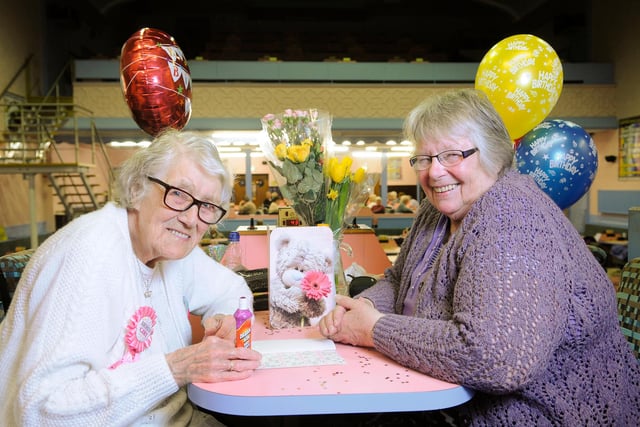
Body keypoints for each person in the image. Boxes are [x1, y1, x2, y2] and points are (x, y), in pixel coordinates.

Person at [319, 89, 640, 425]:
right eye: (424, 159)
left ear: (493, 154)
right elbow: (399, 279)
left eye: (452, 155)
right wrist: (364, 307)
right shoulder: (435, 209)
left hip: (544, 415)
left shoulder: (512, 214)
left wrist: (374, 330)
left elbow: (498, 359)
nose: (434, 172)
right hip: (445, 398)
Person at [0, 130, 262, 426]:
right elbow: (41, 413)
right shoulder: (87, 256)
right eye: (177, 193)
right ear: (137, 189)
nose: (191, 218)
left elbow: (232, 289)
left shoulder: (173, 252)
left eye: (207, 207)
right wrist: (176, 368)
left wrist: (227, 319)